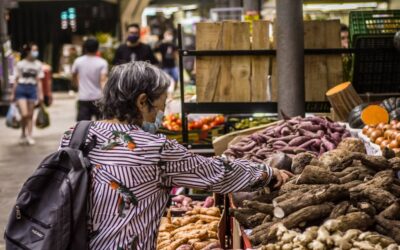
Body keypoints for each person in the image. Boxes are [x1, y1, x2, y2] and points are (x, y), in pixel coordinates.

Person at [59, 61, 292, 249]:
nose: (161, 115)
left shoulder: (76, 134)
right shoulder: (154, 148)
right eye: (160, 107)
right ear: (142, 102)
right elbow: (216, 173)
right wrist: (266, 173)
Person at [11, 43, 44, 145]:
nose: (35, 52)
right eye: (33, 50)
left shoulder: (38, 64)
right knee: (24, 114)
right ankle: (23, 133)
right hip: (21, 88)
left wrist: (41, 94)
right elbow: (16, 80)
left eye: (36, 50)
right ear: (28, 51)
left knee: (30, 115)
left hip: (32, 89)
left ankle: (29, 135)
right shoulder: (20, 64)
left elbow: (39, 81)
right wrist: (13, 93)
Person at [72, 38, 108, 121]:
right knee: (101, 125)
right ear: (97, 48)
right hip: (98, 97)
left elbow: (74, 76)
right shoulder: (102, 62)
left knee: (83, 126)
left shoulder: (78, 61)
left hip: (83, 97)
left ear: (85, 48)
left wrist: (77, 86)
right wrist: (105, 96)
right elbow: (103, 80)